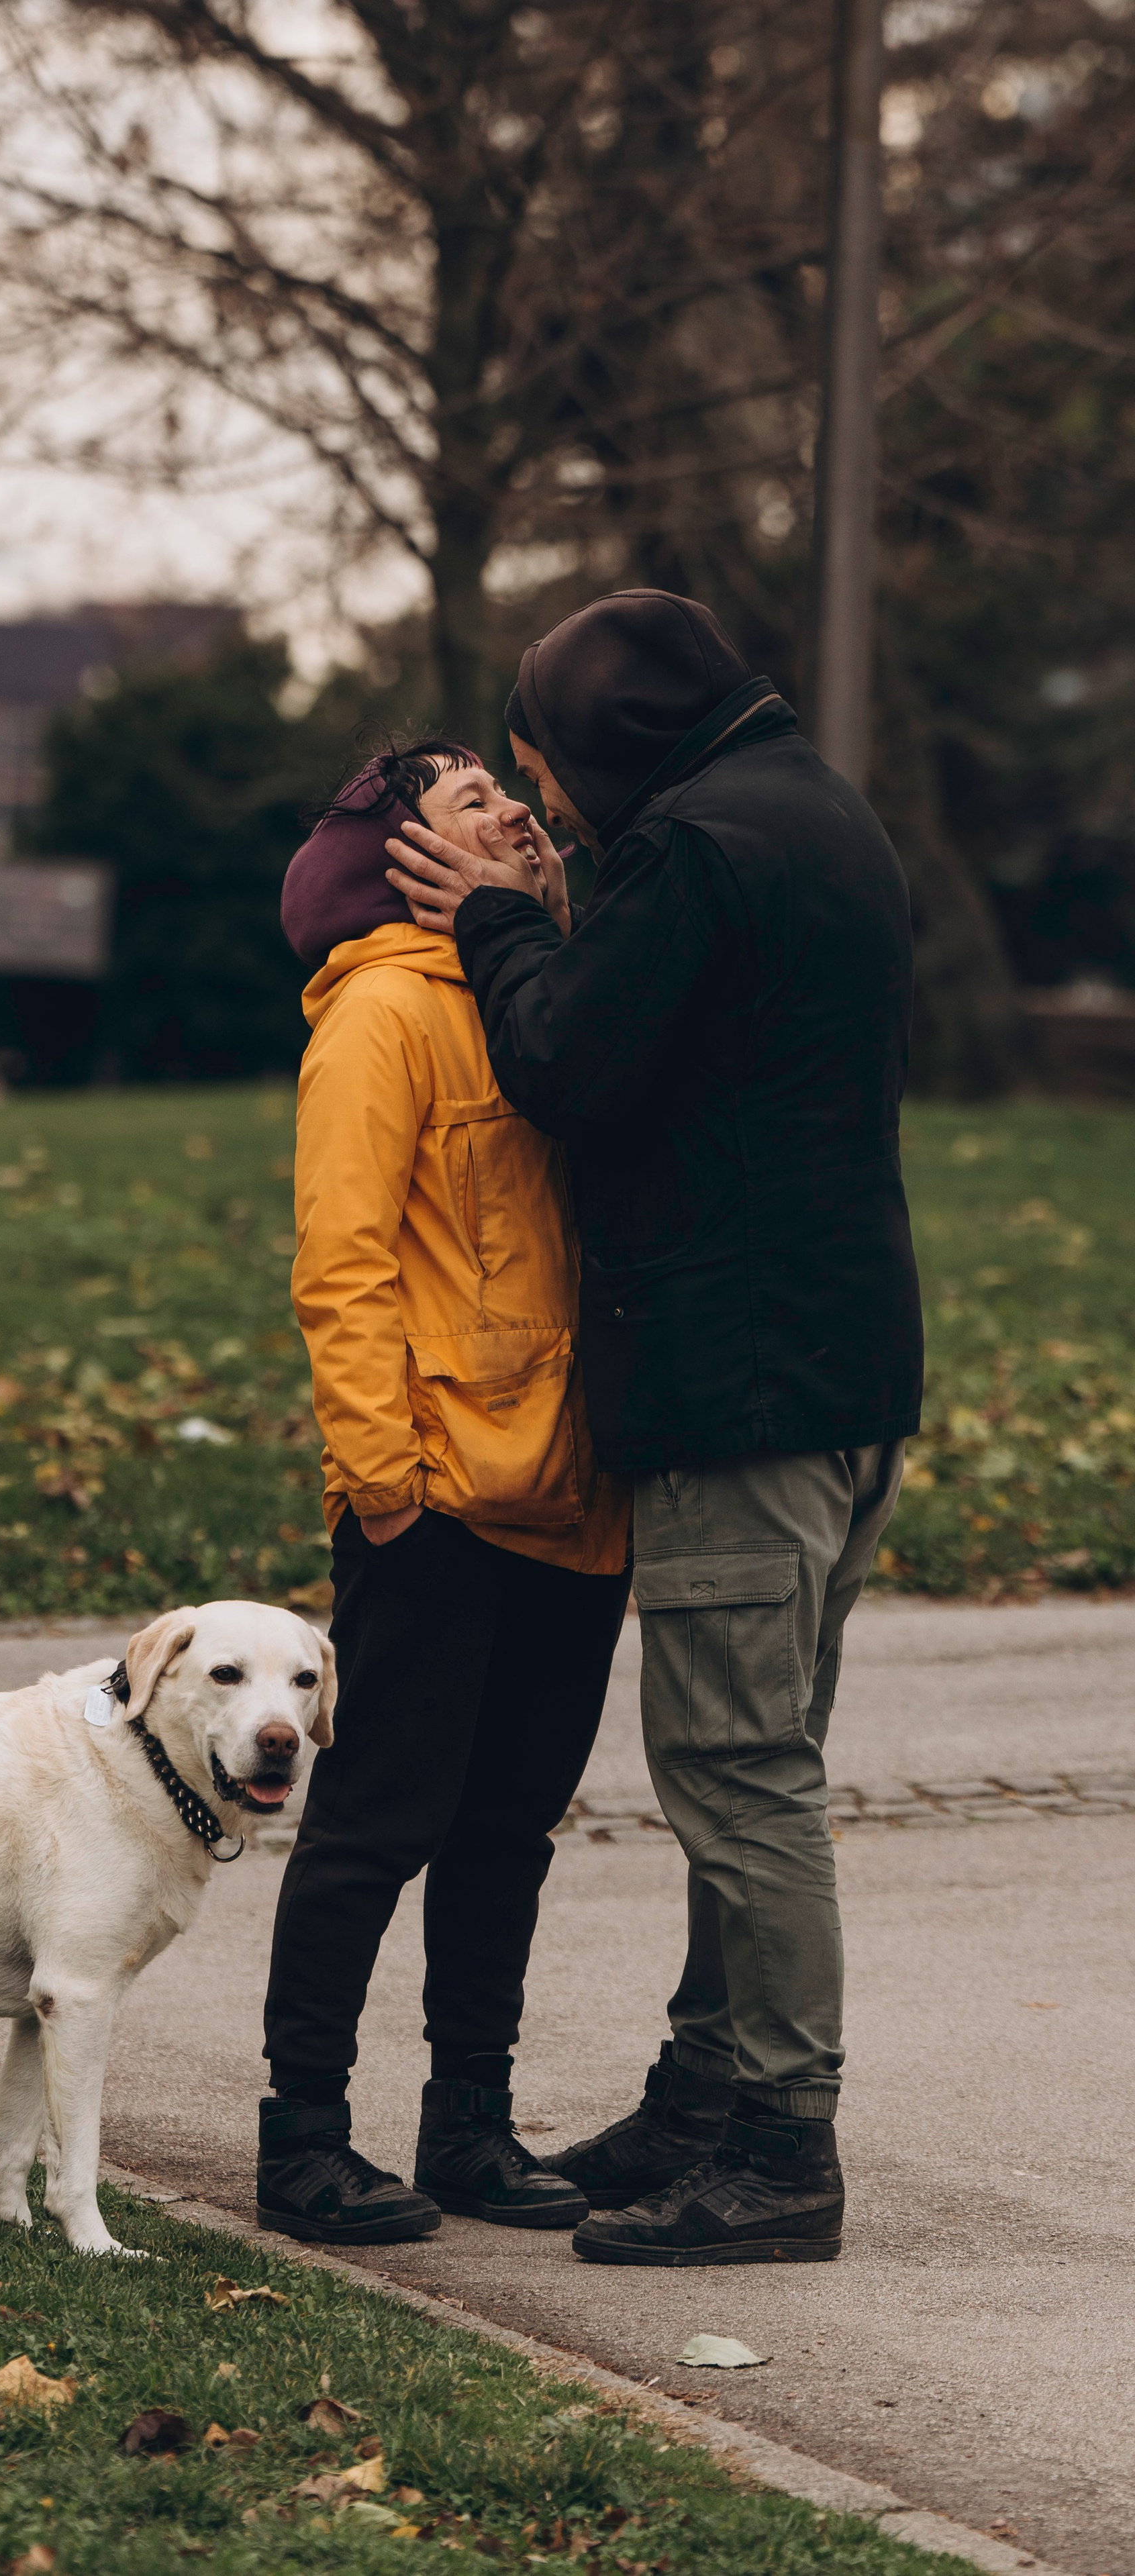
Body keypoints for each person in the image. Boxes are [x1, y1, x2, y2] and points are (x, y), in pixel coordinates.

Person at [385, 590, 924, 2266]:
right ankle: (702, 2096)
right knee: (751, 1752)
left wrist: (492, 918)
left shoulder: (691, 847)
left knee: (734, 1772)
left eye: (541, 777)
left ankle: (775, 2146)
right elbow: (670, 1025)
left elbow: (562, 1058)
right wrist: (569, 906)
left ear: (603, 743)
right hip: (839, 1376)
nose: (538, 809)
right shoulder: (807, 806)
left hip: (736, 1386)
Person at [256, 739, 632, 2248]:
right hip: (440, 1492)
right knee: (372, 1823)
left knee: (509, 1828)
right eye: (473, 800)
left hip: (579, 1491)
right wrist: (381, 1483)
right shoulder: (380, 1013)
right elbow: (338, 1261)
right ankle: (302, 2139)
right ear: (401, 856)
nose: (516, 811)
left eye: (516, 795)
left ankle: (467, 2125)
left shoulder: (562, 991)